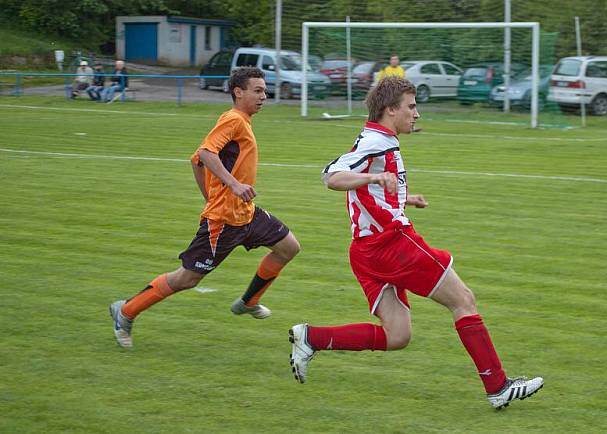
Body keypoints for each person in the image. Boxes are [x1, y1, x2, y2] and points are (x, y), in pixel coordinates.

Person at [289, 76, 543, 409]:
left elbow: (368, 189)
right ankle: (498, 387)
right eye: (411, 106)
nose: (416, 114)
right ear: (390, 109)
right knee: (464, 300)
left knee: (398, 336)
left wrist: (403, 199)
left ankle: (311, 338)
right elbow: (332, 177)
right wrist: (374, 177)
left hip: (365, 251)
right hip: (392, 246)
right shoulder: (376, 143)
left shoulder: (376, 139)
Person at [109, 67, 301, 348]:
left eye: (264, 90)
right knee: (187, 278)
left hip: (246, 214)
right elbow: (204, 153)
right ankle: (125, 311)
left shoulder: (243, 121)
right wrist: (232, 187)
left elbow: (195, 161)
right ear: (238, 92)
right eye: (257, 90)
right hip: (223, 221)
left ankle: (248, 301)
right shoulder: (233, 119)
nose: (264, 96)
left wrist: (212, 194)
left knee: (289, 247)